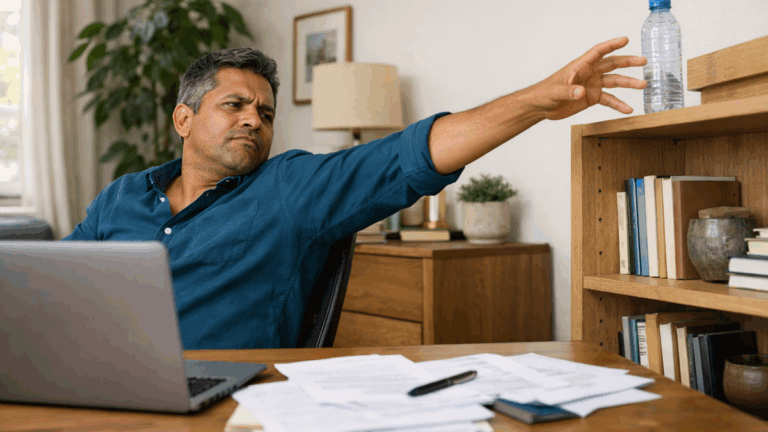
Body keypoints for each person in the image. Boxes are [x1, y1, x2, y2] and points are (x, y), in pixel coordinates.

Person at [64, 36, 647, 349]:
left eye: (265, 113)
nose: (253, 121)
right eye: (234, 105)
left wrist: (539, 100)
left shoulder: (290, 188)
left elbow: (409, 155)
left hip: (221, 403)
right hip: (99, 376)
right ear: (184, 119)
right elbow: (56, 282)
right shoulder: (121, 197)